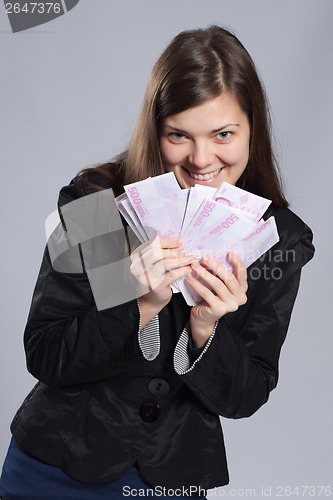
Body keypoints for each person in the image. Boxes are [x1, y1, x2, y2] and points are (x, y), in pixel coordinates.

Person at [0, 25, 314, 499]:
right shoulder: (99, 202)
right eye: (179, 135)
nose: (201, 157)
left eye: (223, 133)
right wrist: (139, 302)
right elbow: (45, 352)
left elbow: (246, 395)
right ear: (157, 130)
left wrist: (206, 329)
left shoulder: (277, 239)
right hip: (55, 466)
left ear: (254, 128)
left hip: (172, 478)